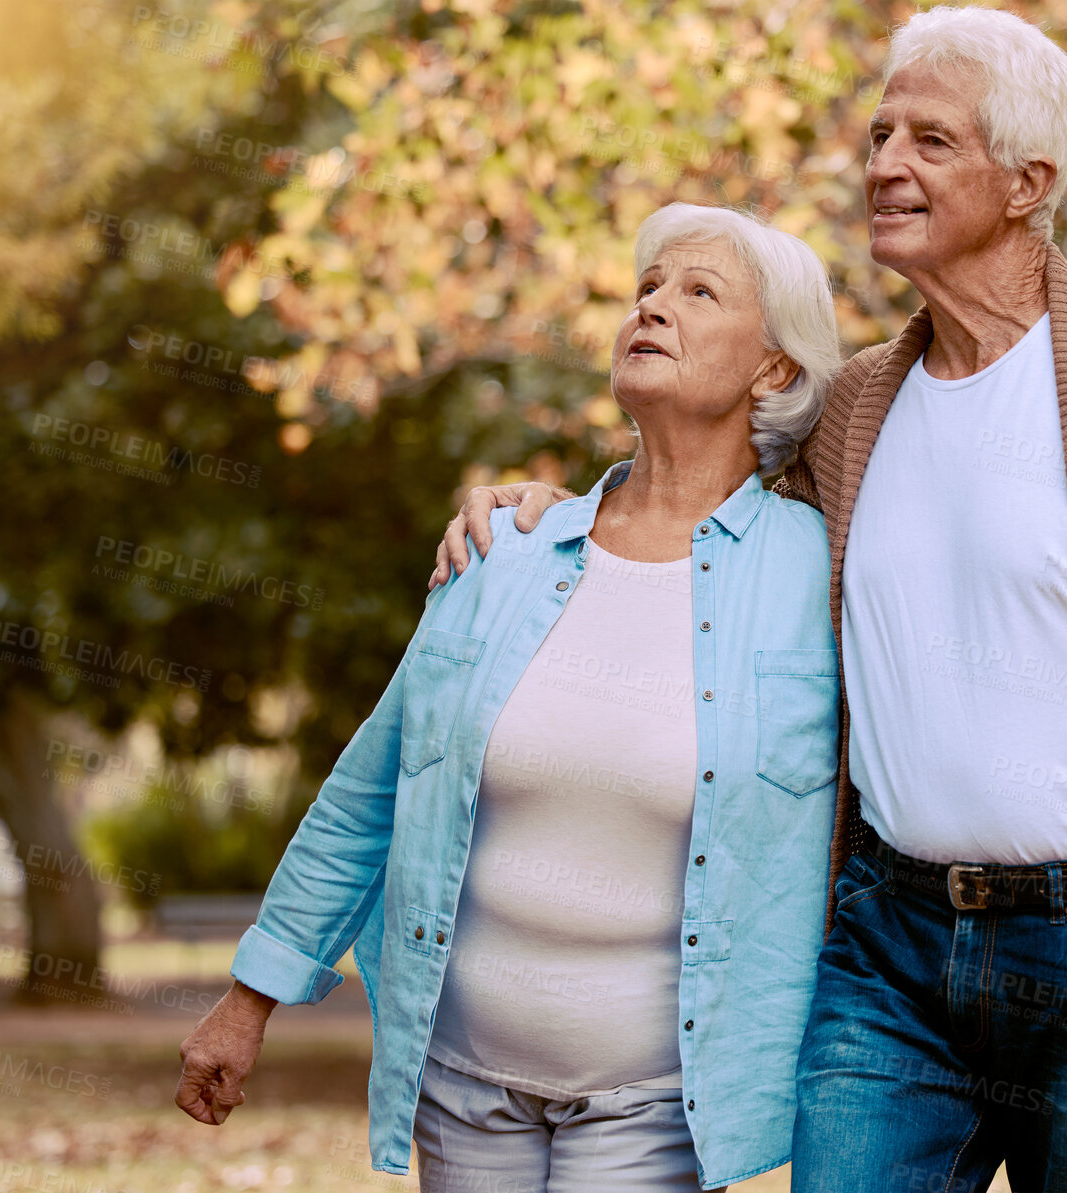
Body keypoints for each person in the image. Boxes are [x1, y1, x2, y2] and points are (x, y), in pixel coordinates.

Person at [432, 8, 1067, 1189]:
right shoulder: (856, 405)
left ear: (1028, 181)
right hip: (884, 952)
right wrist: (555, 505)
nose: (883, 166)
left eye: (928, 140)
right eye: (877, 135)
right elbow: (703, 515)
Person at [174, 202, 846, 1191]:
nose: (654, 306)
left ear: (775, 369)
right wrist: (250, 995)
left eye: (698, 292)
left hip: (657, 1102)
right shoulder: (508, 549)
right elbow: (371, 790)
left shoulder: (821, 570)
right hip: (459, 1088)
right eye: (647, 288)